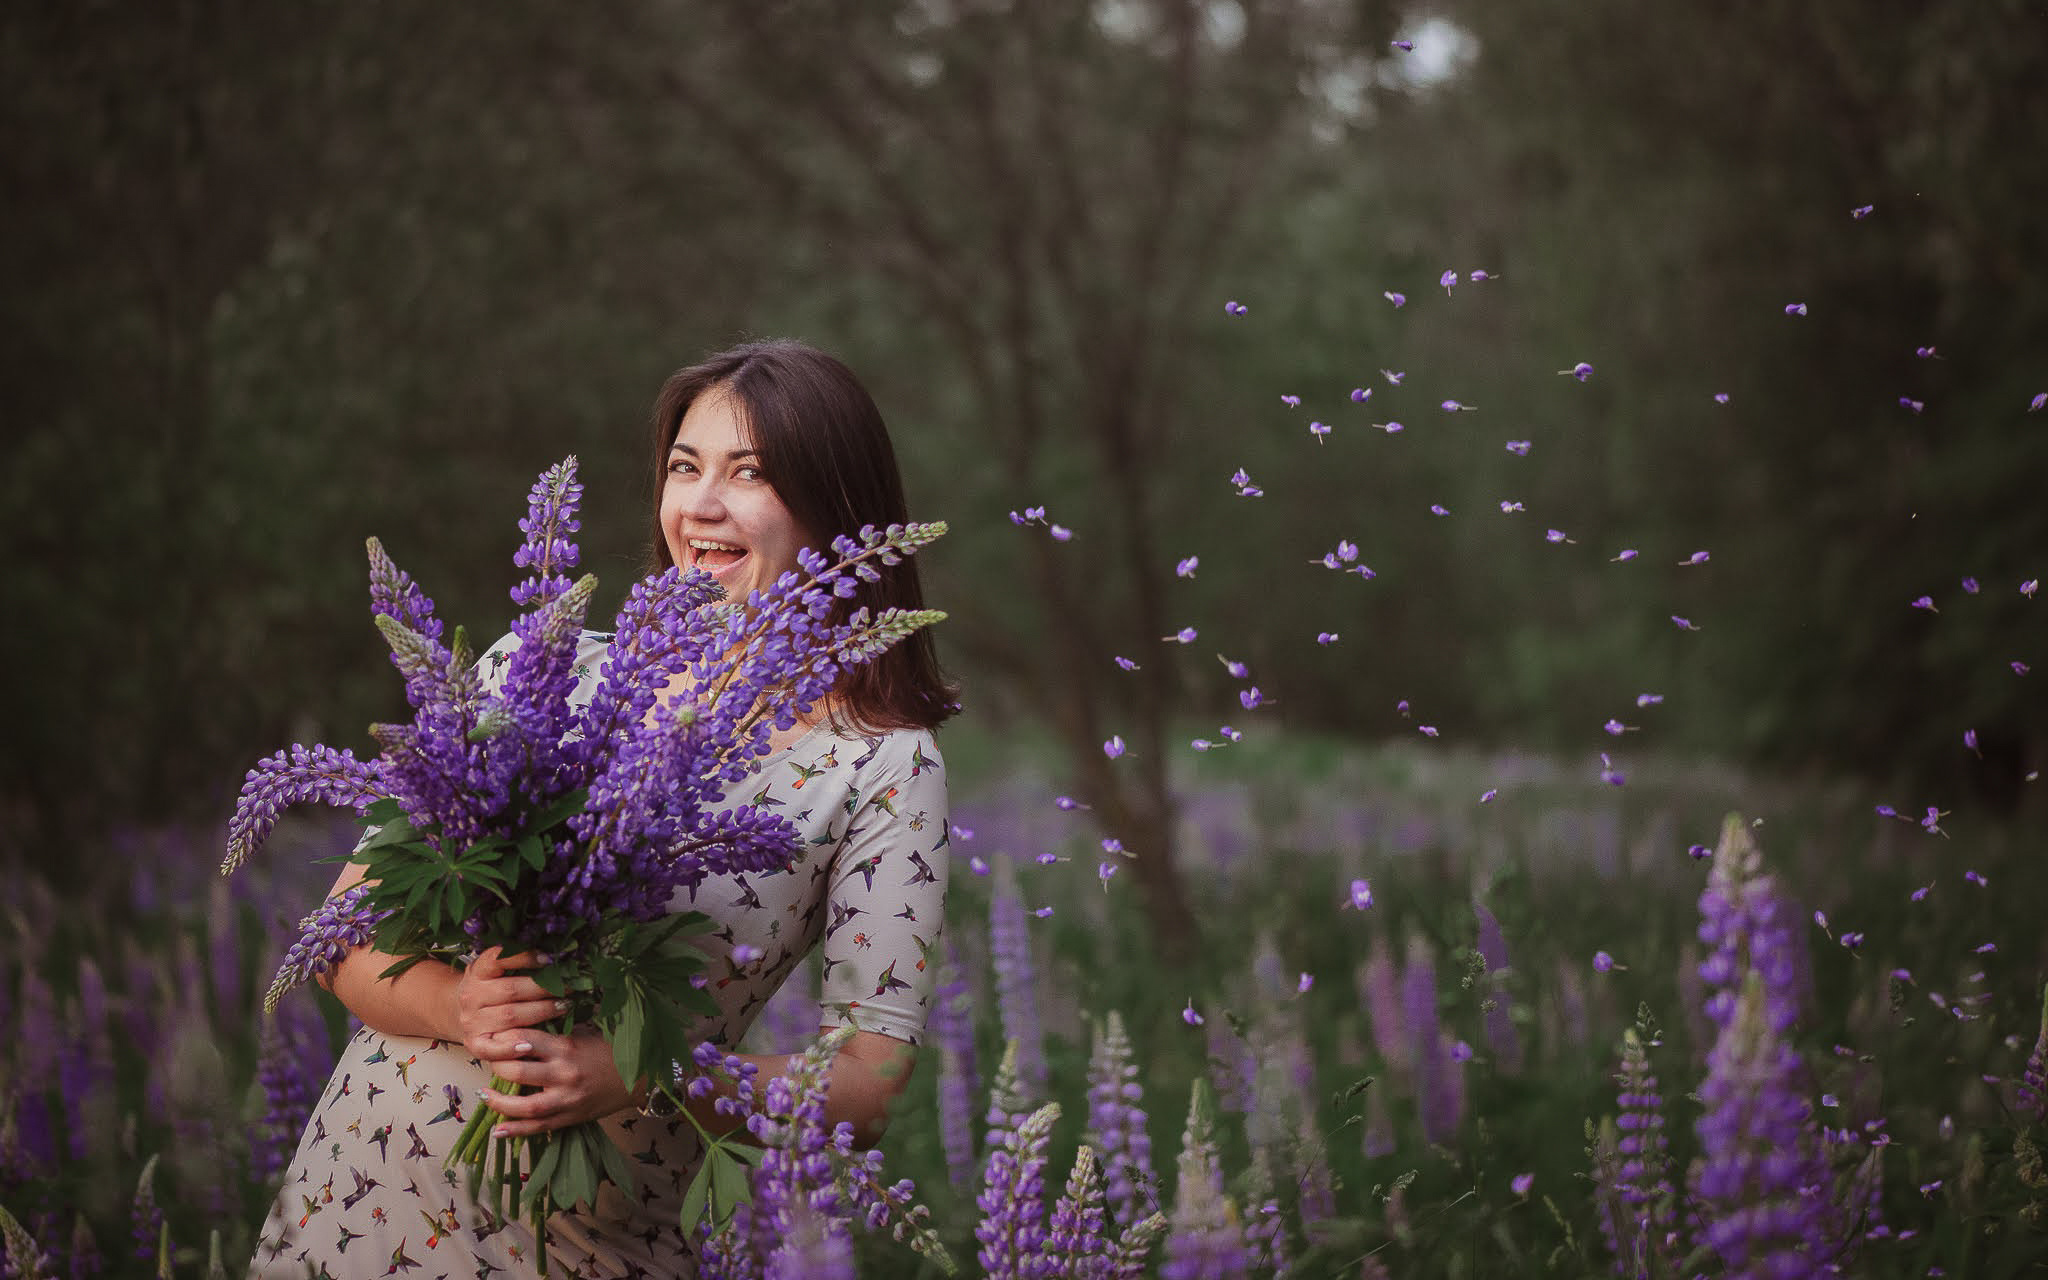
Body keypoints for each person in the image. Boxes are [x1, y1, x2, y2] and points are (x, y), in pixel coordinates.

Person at [248, 340, 958, 1277]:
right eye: (685, 467)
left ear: (836, 506)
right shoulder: (539, 663)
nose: (701, 504)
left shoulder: (882, 762)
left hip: (586, 1245)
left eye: (750, 474)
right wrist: (458, 1006)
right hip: (353, 1208)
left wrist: (647, 1071)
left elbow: (869, 1083)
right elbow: (340, 936)